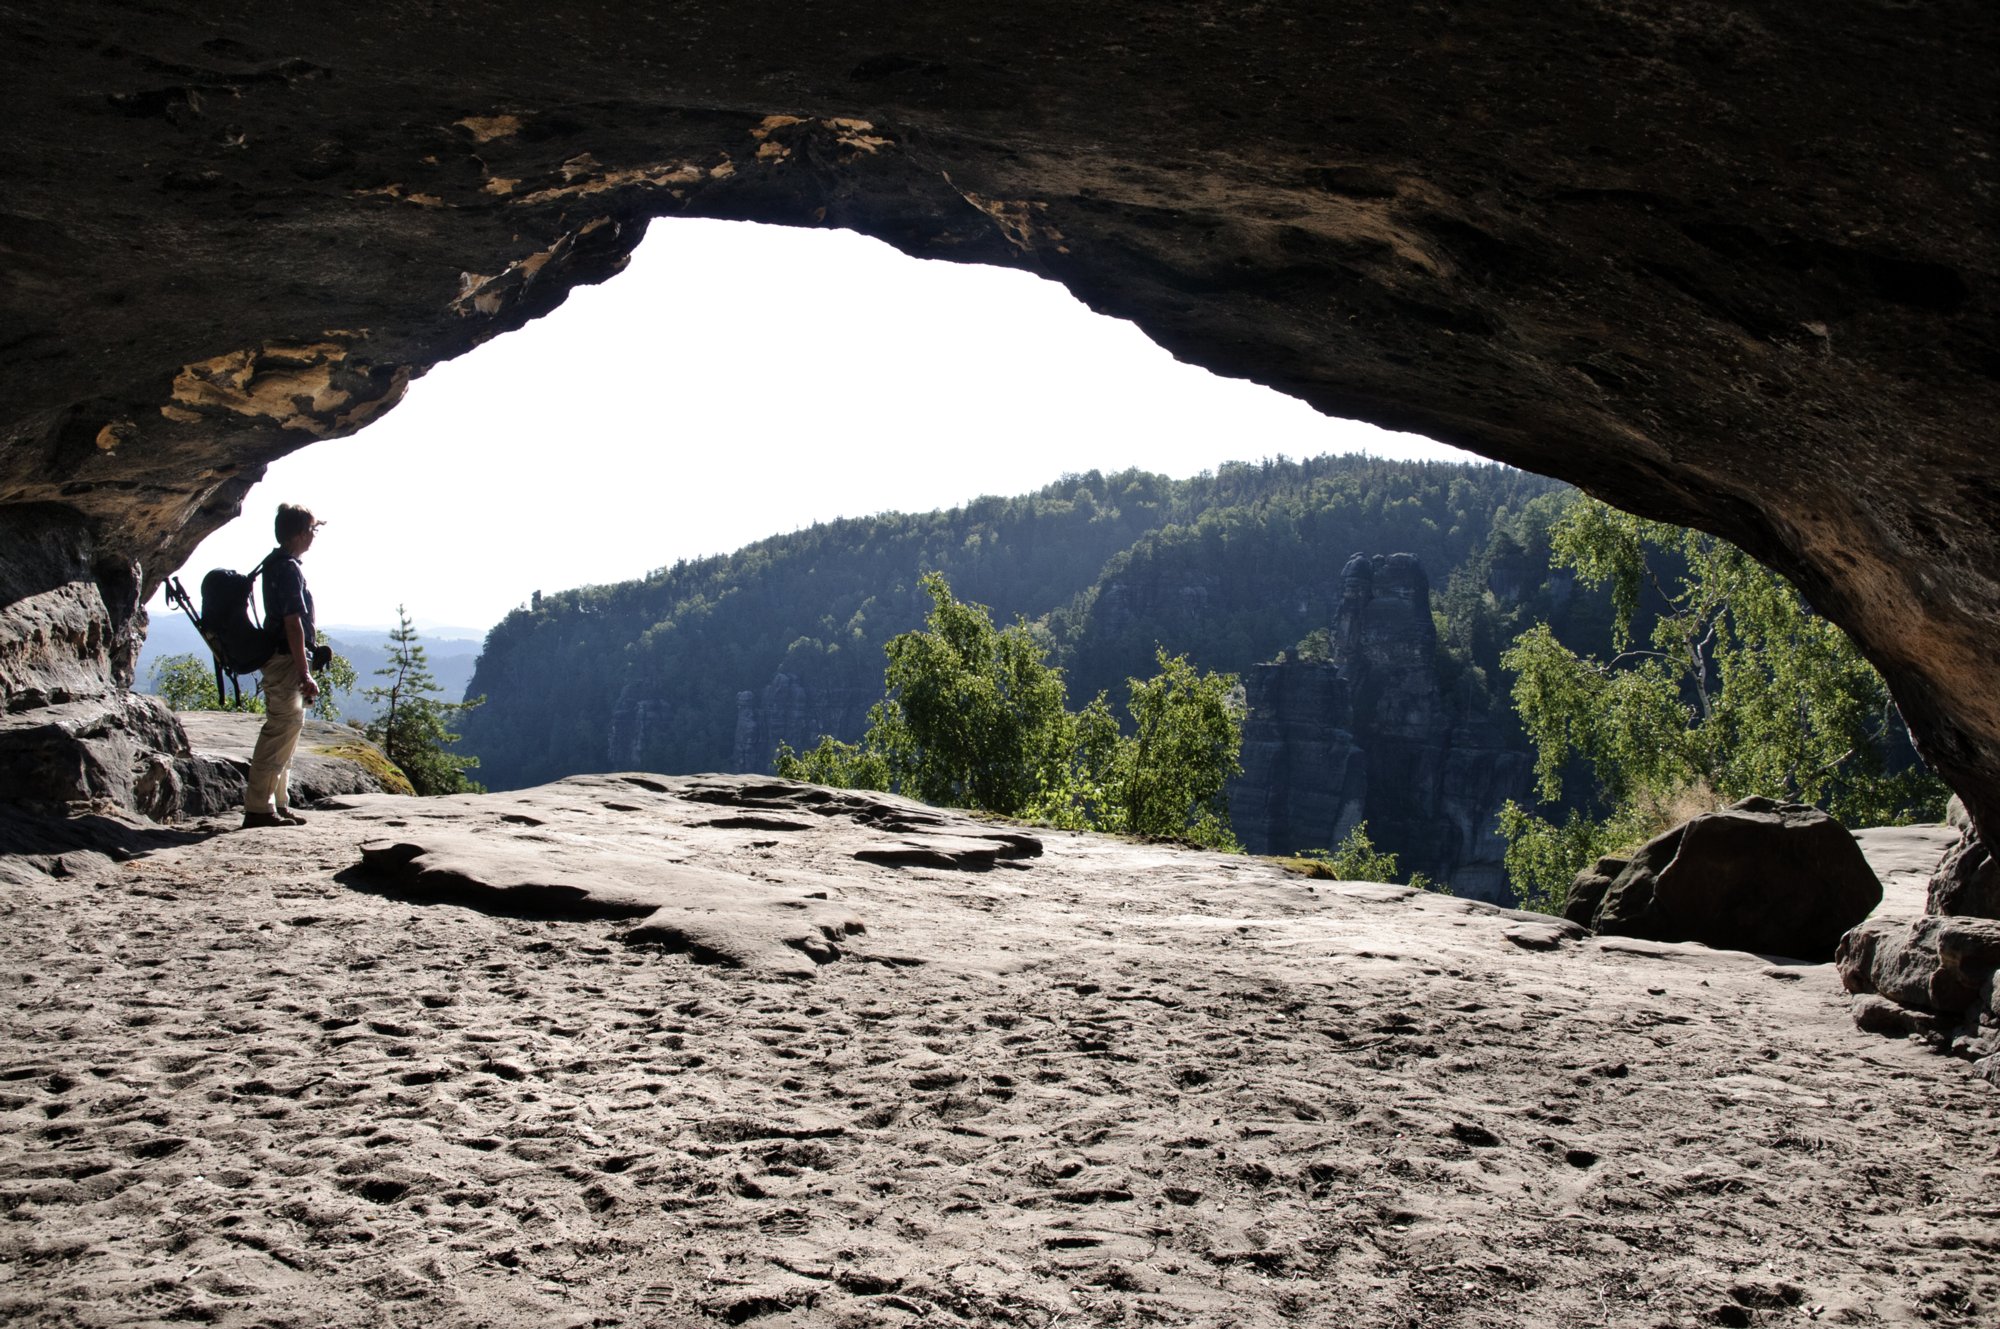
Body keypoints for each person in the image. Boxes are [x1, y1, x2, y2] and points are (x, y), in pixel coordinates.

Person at [242, 503, 323, 829]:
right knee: (281, 728)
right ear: (300, 532)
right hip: (287, 660)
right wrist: (304, 673)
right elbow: (293, 624)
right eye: (313, 530)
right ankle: (259, 807)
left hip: (283, 658)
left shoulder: (277, 563)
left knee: (290, 727)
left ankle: (277, 802)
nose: (314, 537)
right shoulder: (287, 568)